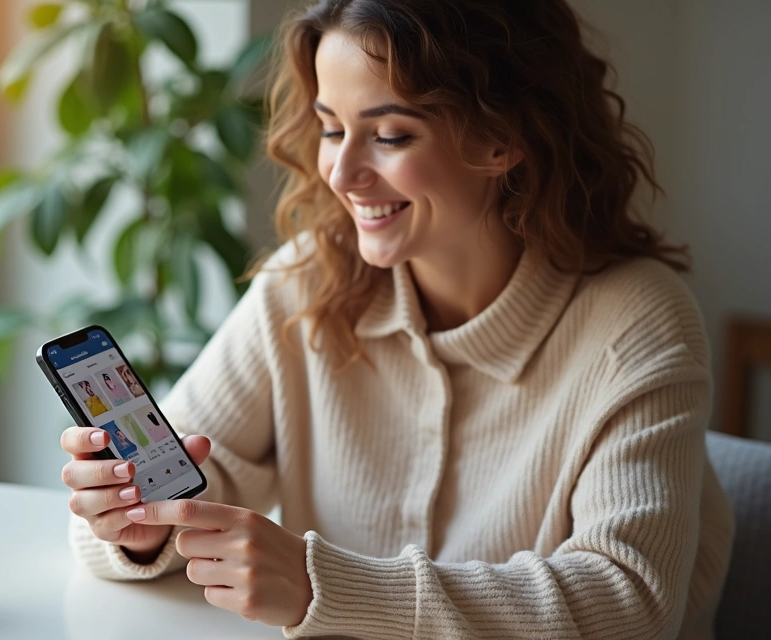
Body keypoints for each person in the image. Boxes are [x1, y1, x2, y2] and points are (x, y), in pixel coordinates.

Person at [58, 1, 733, 638]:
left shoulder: (638, 323)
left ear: (504, 136)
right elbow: (196, 471)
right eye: (330, 129)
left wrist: (323, 585)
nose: (343, 172)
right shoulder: (307, 283)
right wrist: (134, 524)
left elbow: (629, 603)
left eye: (389, 135)